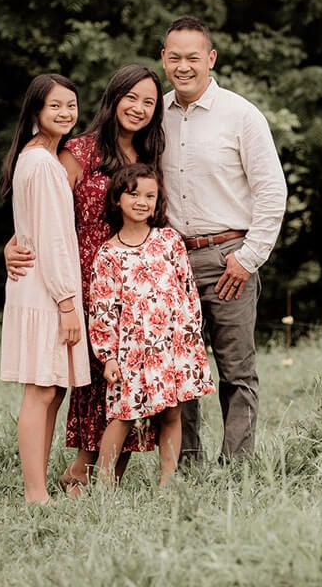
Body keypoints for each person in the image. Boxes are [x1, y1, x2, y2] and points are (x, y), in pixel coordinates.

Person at [5, 65, 166, 494]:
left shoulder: (151, 155)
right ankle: (80, 469)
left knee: (128, 377)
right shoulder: (78, 151)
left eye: (149, 101)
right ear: (113, 98)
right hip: (81, 278)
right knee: (89, 383)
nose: (138, 108)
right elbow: (47, 213)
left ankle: (104, 473)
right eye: (131, 97)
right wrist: (13, 243)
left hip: (134, 281)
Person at [160, 15, 287, 463]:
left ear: (210, 59)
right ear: (163, 59)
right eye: (174, 57)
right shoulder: (154, 114)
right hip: (171, 262)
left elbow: (272, 192)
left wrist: (248, 258)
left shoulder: (241, 115)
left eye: (193, 57)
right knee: (181, 371)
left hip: (229, 257)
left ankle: (237, 465)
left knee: (236, 370)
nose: (183, 66)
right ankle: (187, 463)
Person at [88, 163, 214, 485]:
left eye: (150, 195)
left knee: (172, 413)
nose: (142, 201)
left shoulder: (169, 241)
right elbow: (102, 309)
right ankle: (103, 485)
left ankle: (167, 482)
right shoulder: (108, 254)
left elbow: (187, 291)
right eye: (134, 194)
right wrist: (109, 356)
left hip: (171, 346)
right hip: (131, 351)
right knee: (123, 416)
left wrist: (190, 338)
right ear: (118, 199)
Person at [0, 73, 91, 504]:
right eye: (55, 105)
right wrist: (68, 303)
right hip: (45, 292)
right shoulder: (41, 164)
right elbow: (53, 239)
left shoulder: (39, 159)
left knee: (51, 390)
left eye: (71, 105)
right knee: (41, 391)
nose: (65, 113)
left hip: (40, 288)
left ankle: (38, 487)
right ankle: (35, 492)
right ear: (36, 111)